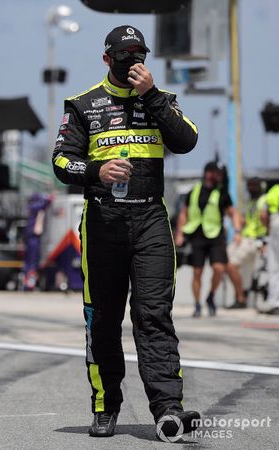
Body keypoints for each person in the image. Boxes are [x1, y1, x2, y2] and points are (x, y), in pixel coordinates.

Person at [52, 25, 200, 441]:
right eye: (123, 55)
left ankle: (168, 409)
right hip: (103, 222)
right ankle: (106, 405)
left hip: (151, 220)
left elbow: (187, 140)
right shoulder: (82, 104)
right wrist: (97, 171)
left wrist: (151, 96)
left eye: (139, 54)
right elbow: (61, 162)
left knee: (153, 315)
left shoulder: (161, 100)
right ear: (107, 59)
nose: (132, 61)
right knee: (102, 319)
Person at [175, 162, 242, 317]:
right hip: (196, 235)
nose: (216, 176)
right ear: (206, 173)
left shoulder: (222, 193)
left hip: (215, 235)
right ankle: (197, 304)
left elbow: (233, 213)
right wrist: (179, 233)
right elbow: (183, 213)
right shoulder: (194, 191)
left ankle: (210, 296)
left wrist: (237, 231)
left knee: (219, 268)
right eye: (213, 172)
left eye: (218, 173)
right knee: (197, 271)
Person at [226, 178, 267, 308]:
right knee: (225, 261)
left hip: (256, 240)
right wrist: (237, 230)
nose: (251, 188)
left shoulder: (264, 200)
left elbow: (265, 219)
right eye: (250, 185)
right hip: (246, 238)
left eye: (254, 185)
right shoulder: (249, 202)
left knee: (231, 265)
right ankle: (242, 294)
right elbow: (243, 220)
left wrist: (265, 241)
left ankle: (241, 298)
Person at [260, 182, 279, 315]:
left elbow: (263, 215)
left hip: (276, 223)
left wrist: (268, 229)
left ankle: (275, 302)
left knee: (274, 266)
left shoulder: (273, 190)